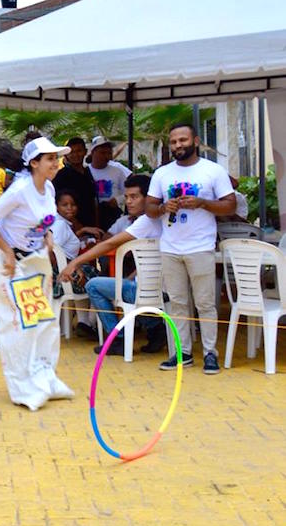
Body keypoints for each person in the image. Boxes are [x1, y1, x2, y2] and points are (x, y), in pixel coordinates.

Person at [0, 137, 74, 411]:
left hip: (33, 261)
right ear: (34, 163)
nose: (55, 163)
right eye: (49, 159)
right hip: (7, 262)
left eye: (56, 158)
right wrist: (7, 251)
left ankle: (45, 377)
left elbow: (43, 218)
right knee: (17, 324)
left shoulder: (50, 188)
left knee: (44, 319)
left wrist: (47, 235)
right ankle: (22, 388)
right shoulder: (20, 189)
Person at [145, 123, 237, 374]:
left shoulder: (213, 171)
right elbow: (149, 208)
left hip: (201, 246)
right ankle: (181, 352)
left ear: (195, 141)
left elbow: (230, 205)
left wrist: (203, 203)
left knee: (205, 303)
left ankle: (210, 353)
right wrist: (164, 208)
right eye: (174, 142)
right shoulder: (162, 174)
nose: (178, 145)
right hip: (170, 248)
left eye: (183, 140)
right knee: (176, 303)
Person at [60, 174, 165, 356]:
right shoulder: (164, 218)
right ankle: (154, 328)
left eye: (134, 197)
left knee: (94, 285)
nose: (129, 202)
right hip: (162, 290)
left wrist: (75, 262)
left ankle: (119, 339)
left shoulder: (145, 222)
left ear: (149, 199)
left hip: (145, 291)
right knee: (124, 283)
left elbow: (109, 243)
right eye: (127, 197)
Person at [52, 137, 101, 229]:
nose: (75, 155)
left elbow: (93, 200)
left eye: (79, 151)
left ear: (85, 152)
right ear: (66, 155)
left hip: (91, 223)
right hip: (72, 226)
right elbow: (58, 202)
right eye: (72, 152)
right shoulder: (61, 176)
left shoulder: (88, 172)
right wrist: (76, 224)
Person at [87, 136, 131, 214]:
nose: (106, 156)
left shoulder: (117, 171)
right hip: (91, 213)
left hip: (112, 213)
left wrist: (117, 200)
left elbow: (128, 192)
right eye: (102, 153)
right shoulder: (85, 171)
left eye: (109, 153)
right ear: (93, 152)